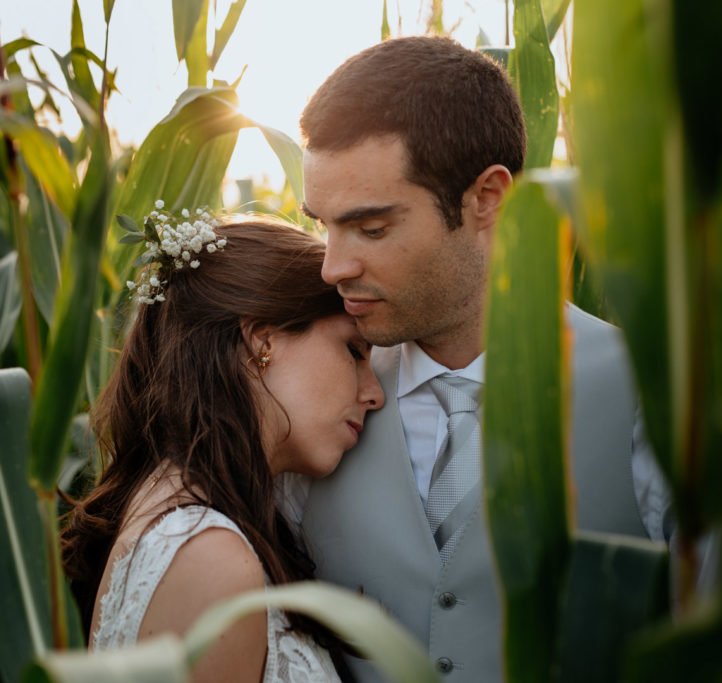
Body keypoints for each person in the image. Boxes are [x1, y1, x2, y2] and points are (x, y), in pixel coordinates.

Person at [297, 36, 667, 681]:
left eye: (372, 228)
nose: (334, 266)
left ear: (487, 197)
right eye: (322, 226)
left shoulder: (653, 394)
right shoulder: (314, 402)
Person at [61, 214, 384, 683]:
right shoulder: (207, 554)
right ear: (262, 343)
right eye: (354, 352)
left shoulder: (182, 512)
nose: (375, 393)